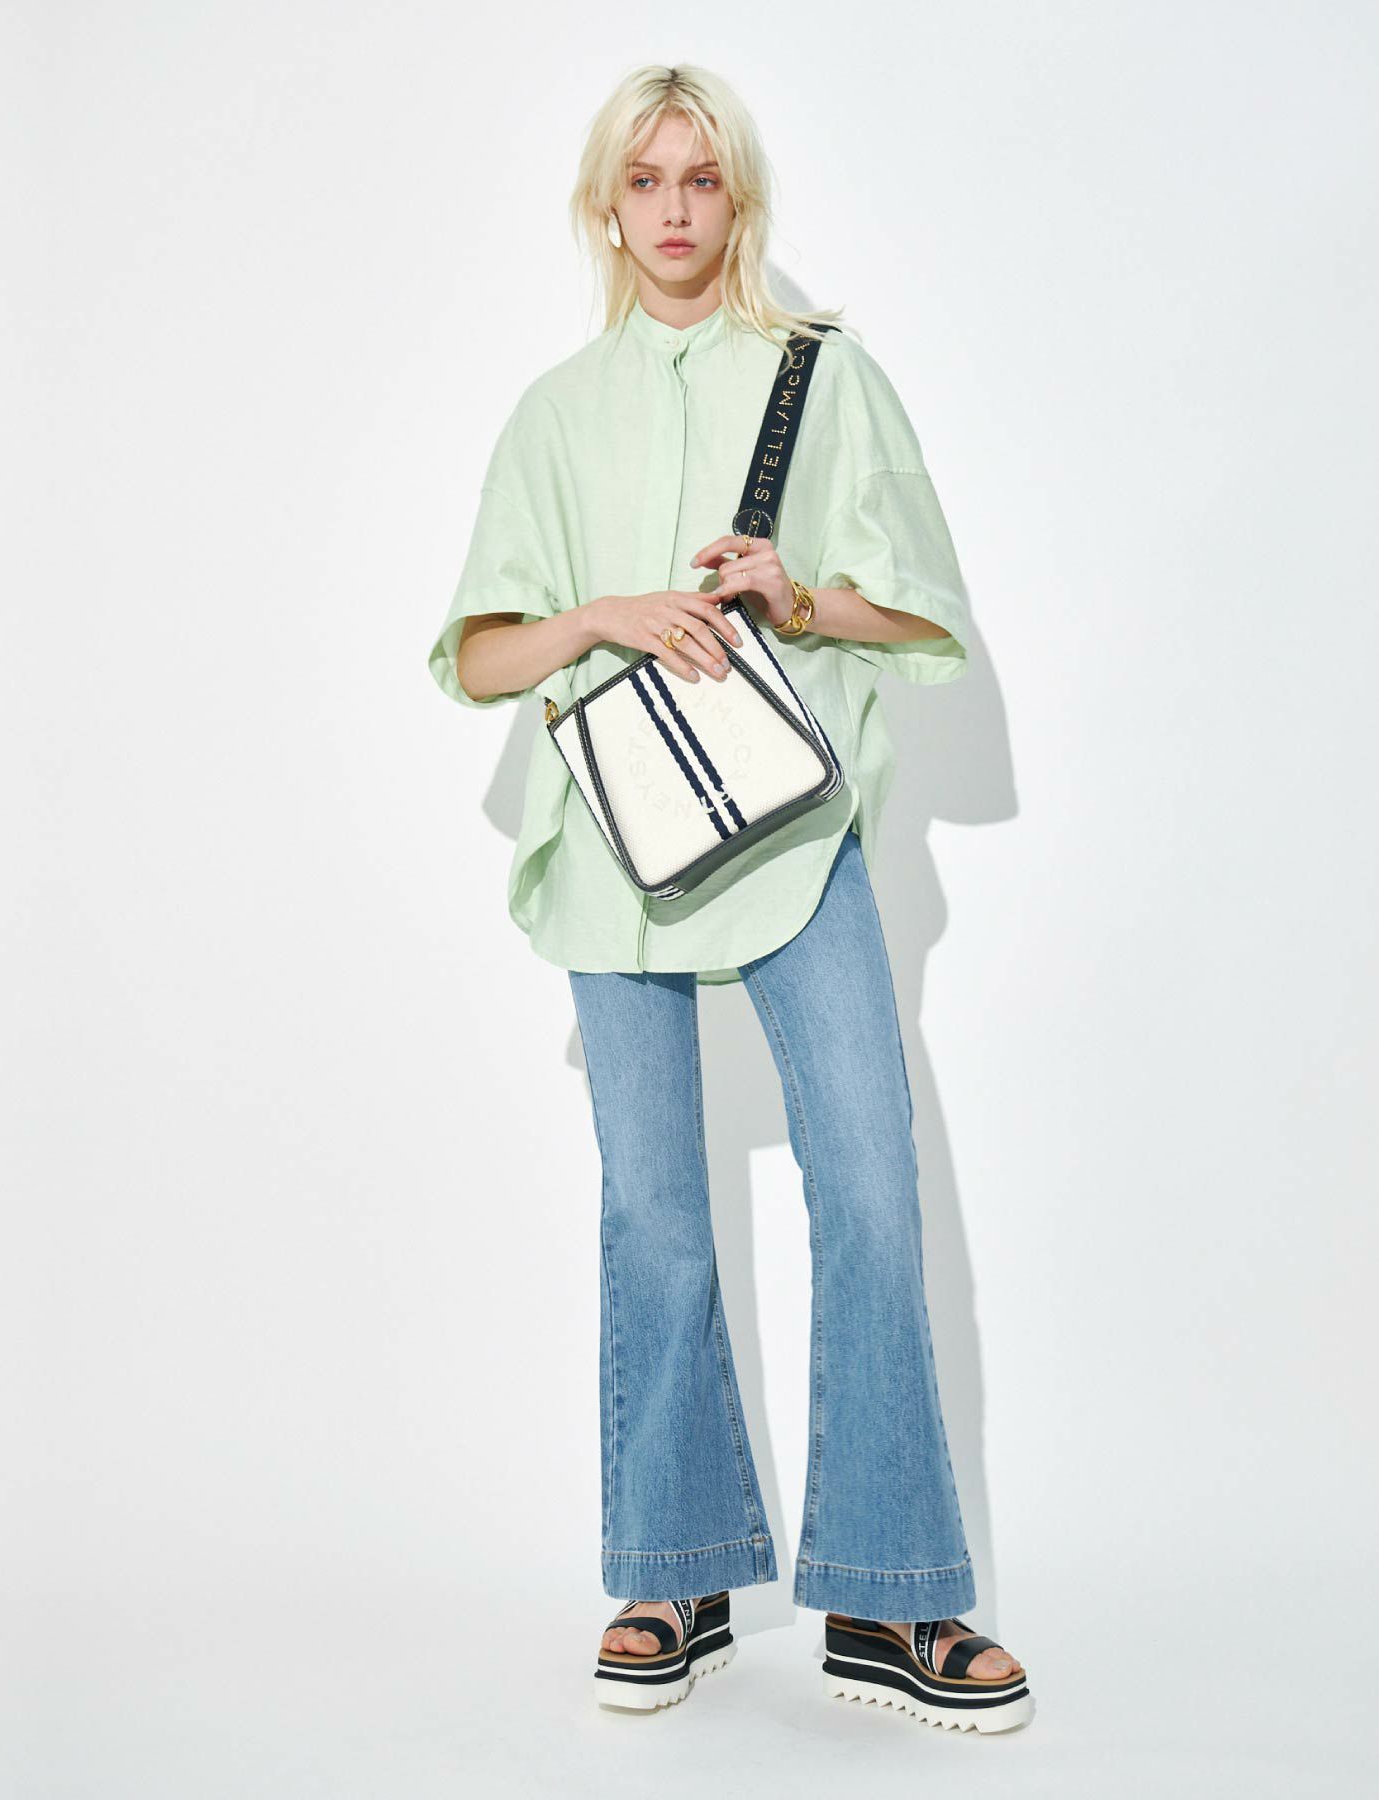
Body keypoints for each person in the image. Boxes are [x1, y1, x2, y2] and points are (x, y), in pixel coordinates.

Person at [425, 64, 1033, 1735]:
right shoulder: (555, 414)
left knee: (872, 1189)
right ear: (605, 208)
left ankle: (892, 1597)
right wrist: (602, 616)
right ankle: (672, 1572)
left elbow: (931, 618)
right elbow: (479, 654)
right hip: (612, 851)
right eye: (647, 181)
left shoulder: (823, 375)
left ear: (738, 199)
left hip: (792, 838)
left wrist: (801, 596)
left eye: (702, 179)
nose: (676, 209)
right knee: (654, 1215)